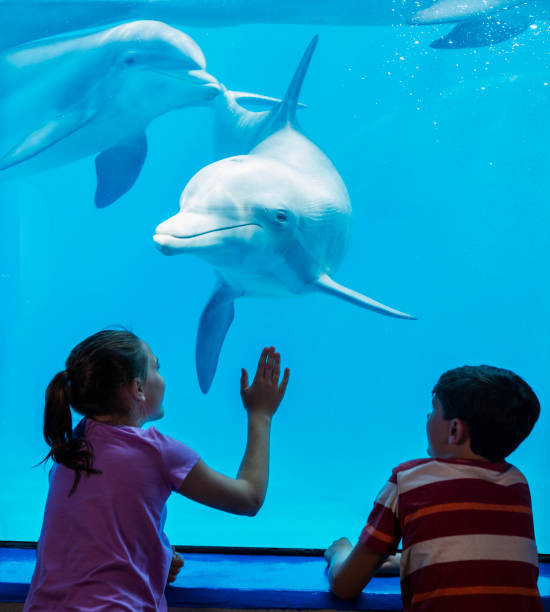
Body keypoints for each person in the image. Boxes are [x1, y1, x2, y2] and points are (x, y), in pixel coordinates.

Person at [24, 329, 289, 611]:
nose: (162, 378)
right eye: (156, 367)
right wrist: (260, 414)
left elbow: (87, 542)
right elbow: (248, 498)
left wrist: (157, 555)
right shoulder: (157, 453)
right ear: (138, 389)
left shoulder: (70, 451)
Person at [325, 365, 543, 611]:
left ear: (454, 430)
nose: (428, 417)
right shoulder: (516, 484)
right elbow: (479, 556)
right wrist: (408, 561)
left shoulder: (408, 480)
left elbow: (346, 586)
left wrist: (339, 553)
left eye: (434, 410)